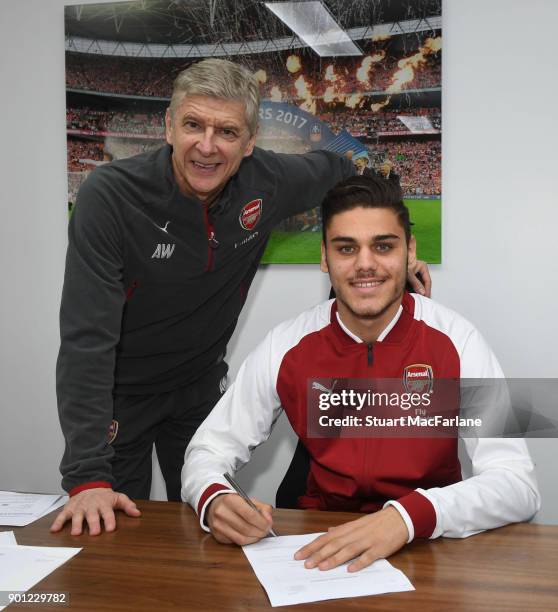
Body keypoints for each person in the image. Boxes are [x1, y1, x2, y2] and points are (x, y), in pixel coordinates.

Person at [52, 59, 431, 536]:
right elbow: (87, 339)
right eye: (193, 125)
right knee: (118, 535)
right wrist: (86, 476)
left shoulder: (267, 180)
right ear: (169, 127)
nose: (206, 146)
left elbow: (342, 169)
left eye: (227, 131)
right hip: (119, 396)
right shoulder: (109, 197)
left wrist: (397, 259)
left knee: (208, 529)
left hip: (199, 389)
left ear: (249, 143)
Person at [182, 175, 540, 572]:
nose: (365, 264)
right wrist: (214, 497)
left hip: (428, 542)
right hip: (319, 545)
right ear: (324, 257)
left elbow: (517, 484)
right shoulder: (286, 344)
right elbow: (207, 450)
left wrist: (404, 518)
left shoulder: (458, 340)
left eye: (383, 246)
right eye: (346, 248)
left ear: (409, 252)